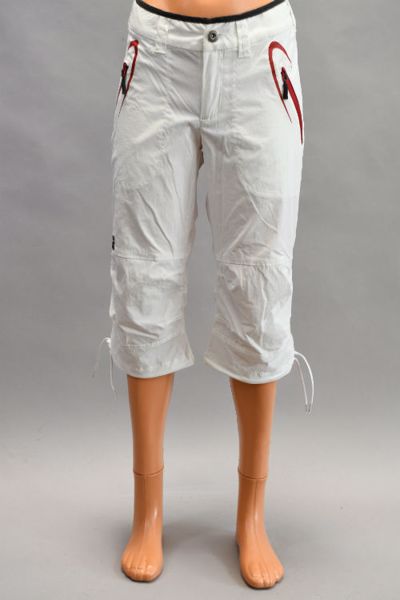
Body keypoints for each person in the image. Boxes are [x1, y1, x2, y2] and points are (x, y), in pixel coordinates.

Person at [92, 0, 314, 588]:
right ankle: (148, 511)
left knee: (259, 285)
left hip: (259, 51)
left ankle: (251, 515)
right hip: (158, 52)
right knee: (143, 280)